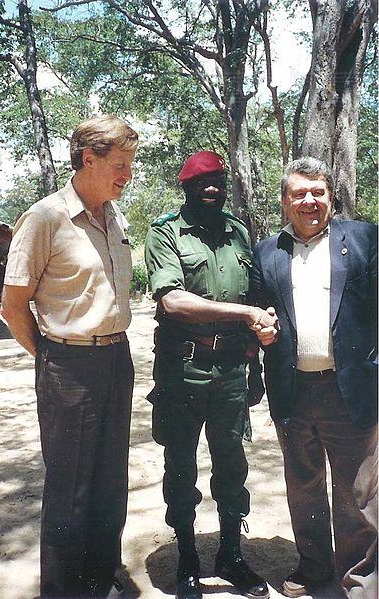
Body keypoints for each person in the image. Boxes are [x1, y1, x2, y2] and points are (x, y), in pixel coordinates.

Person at [1, 114, 138, 598]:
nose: (127, 174)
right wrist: (51, 356)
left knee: (109, 482)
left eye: (130, 164)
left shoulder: (113, 215)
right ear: (88, 159)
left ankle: (101, 577)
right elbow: (13, 307)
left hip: (116, 361)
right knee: (70, 487)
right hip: (67, 365)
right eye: (119, 165)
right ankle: (63, 589)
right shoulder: (45, 218)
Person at [144, 150, 277, 599]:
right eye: (202, 183)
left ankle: (231, 555)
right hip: (183, 369)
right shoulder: (164, 232)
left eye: (218, 181)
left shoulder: (239, 232)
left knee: (232, 465)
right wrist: (244, 311)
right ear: (185, 188)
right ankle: (187, 558)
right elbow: (173, 302)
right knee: (180, 465)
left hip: (232, 370)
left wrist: (254, 363)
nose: (211, 188)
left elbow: (257, 299)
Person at [251, 157, 378, 598]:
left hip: (353, 390)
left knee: (357, 493)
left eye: (318, 192)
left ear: (330, 197)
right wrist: (261, 326)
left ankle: (360, 578)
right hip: (294, 390)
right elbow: (260, 310)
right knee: (303, 487)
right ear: (285, 201)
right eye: (299, 193)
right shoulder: (267, 251)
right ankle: (313, 567)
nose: (310, 201)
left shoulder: (365, 238)